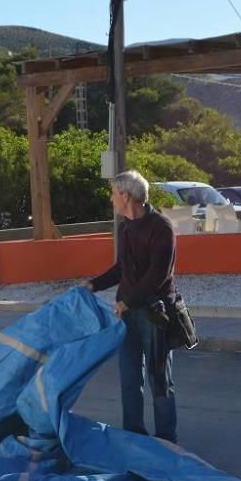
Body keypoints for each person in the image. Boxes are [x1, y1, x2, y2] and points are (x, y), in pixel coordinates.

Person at [84, 170, 179, 443]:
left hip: (154, 314)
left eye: (114, 192)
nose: (111, 198)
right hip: (126, 314)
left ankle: (166, 440)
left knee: (160, 380)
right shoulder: (125, 228)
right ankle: (134, 438)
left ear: (126, 196)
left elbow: (157, 275)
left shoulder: (162, 228)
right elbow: (121, 268)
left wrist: (128, 301)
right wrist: (94, 284)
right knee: (129, 380)